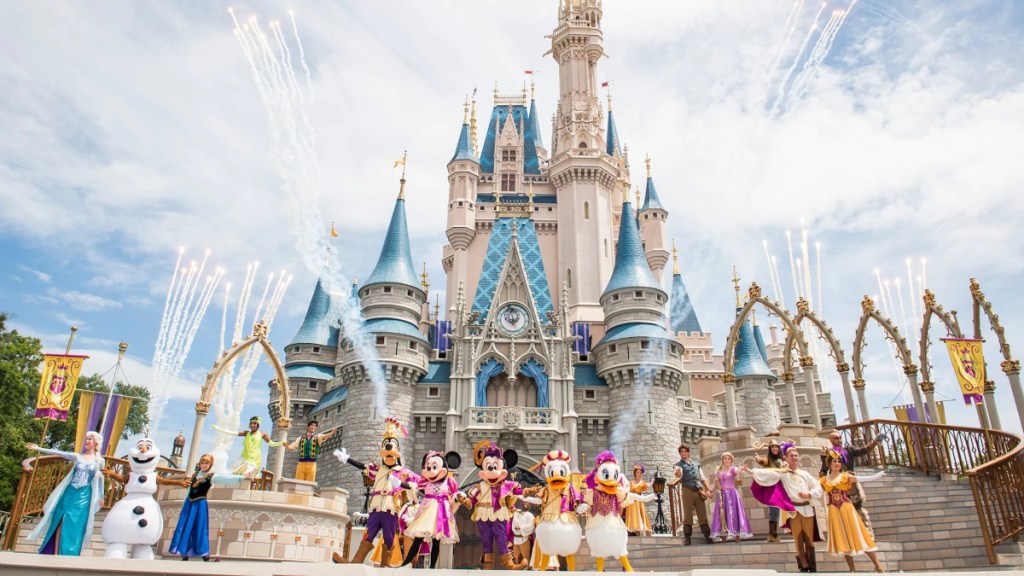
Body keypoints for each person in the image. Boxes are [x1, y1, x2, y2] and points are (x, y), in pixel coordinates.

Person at [26, 432, 105, 556]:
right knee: (61, 519)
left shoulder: (100, 461)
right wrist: (38, 448)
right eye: (86, 439)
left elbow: (101, 479)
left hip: (84, 496)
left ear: (95, 442)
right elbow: (58, 452)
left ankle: (70, 553)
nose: (87, 441)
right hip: (69, 493)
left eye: (89, 439)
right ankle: (56, 552)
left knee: (76, 524)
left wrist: (101, 495)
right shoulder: (77, 457)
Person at [745, 446, 823, 573]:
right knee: (798, 538)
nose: (794, 457)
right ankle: (803, 566)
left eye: (796, 455)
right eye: (791, 455)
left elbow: (818, 487)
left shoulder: (805, 474)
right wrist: (752, 471)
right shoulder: (782, 473)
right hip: (793, 510)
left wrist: (809, 494)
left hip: (807, 508)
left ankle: (812, 566)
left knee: (809, 538)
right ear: (786, 458)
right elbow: (767, 474)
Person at [820, 452, 885, 573]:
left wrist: (876, 476)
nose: (837, 463)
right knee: (842, 538)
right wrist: (807, 494)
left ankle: (878, 565)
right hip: (834, 511)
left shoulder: (845, 476)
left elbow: (862, 478)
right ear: (829, 463)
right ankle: (852, 570)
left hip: (846, 508)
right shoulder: (824, 480)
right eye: (834, 461)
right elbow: (817, 492)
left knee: (859, 534)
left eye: (839, 461)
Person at [819, 430, 886, 532]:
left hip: (851, 484)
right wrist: (823, 486)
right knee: (842, 512)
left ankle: (866, 533)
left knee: (858, 508)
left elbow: (864, 450)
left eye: (840, 437)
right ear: (831, 440)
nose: (839, 440)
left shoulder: (848, 449)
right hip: (838, 487)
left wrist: (875, 441)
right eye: (836, 438)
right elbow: (823, 470)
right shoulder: (828, 454)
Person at [168, 453, 216, 561]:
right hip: (189, 504)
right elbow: (189, 490)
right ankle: (184, 551)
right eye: (202, 463)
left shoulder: (211, 476)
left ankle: (204, 553)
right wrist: (184, 503)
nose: (203, 465)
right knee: (186, 526)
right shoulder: (194, 475)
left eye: (206, 463)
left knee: (200, 527)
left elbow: (225, 478)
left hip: (200, 504)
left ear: (210, 464)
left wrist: (242, 477)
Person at [212, 416, 283, 480]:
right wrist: (219, 429)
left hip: (254, 459)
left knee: (248, 474)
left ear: (258, 424)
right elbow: (233, 433)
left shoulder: (262, 434)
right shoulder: (246, 433)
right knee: (236, 473)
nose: (252, 425)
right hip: (244, 457)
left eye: (254, 423)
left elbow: (272, 443)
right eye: (251, 423)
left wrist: (281, 443)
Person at [672, 444, 713, 545]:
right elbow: (678, 474)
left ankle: (707, 536)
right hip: (687, 490)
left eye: (685, 451)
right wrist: (677, 473)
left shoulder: (696, 464)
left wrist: (708, 489)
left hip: (698, 490)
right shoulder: (678, 465)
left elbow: (702, 477)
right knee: (688, 515)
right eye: (681, 452)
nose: (683, 453)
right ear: (680, 454)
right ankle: (687, 538)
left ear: (688, 452)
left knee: (702, 514)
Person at [709, 452, 752, 543]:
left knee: (735, 514)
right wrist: (710, 491)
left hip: (732, 495)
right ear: (722, 460)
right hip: (722, 496)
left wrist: (742, 468)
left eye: (729, 459)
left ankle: (737, 538)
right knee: (722, 515)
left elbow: (737, 470)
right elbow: (715, 484)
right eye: (725, 458)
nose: (727, 460)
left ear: (731, 460)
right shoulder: (718, 471)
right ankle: (724, 538)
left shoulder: (732, 469)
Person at [755, 439, 785, 542]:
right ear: (770, 449)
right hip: (773, 488)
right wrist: (758, 460)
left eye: (776, 446)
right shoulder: (768, 459)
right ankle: (773, 535)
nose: (775, 448)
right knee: (774, 510)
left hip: (784, 487)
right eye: (772, 447)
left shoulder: (783, 459)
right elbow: (763, 461)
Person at [624, 464, 652, 536]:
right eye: (637, 473)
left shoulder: (642, 483)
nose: (639, 474)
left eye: (640, 473)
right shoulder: (630, 483)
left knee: (641, 519)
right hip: (632, 504)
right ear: (635, 474)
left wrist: (653, 482)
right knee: (634, 520)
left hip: (639, 503)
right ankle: (637, 535)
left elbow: (647, 486)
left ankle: (646, 535)